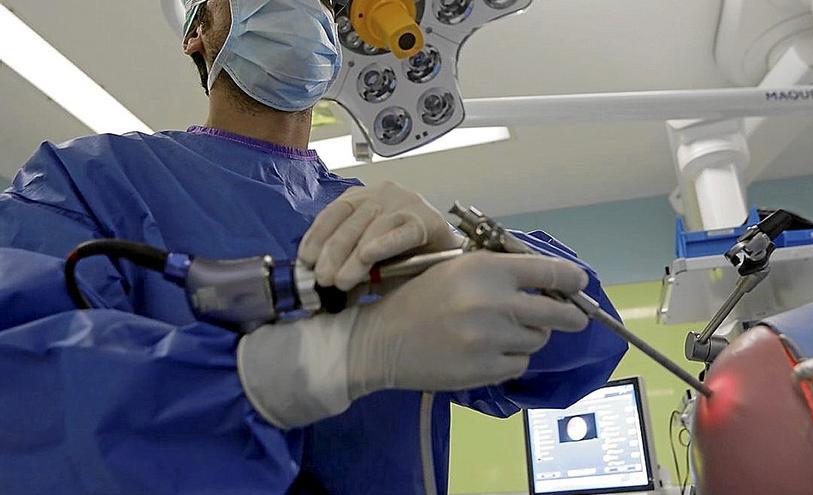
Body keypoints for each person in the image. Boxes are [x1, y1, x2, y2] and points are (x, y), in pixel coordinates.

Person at [0, 0, 627, 493]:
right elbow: (25, 403)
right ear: (197, 29)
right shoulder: (90, 182)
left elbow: (584, 343)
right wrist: (321, 362)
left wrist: (468, 257)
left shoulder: (384, 220)